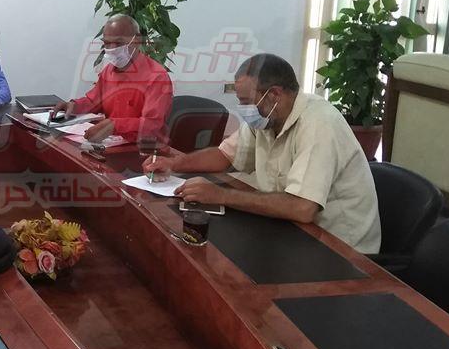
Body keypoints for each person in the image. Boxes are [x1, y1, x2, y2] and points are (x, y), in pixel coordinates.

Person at [143, 53, 381, 253]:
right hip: (290, 228)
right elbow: (225, 156)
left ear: (274, 94)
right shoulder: (267, 117)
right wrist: (175, 164)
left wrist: (220, 195)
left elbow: (303, 208)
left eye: (246, 101)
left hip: (340, 248)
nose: (244, 109)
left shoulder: (319, 124)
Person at [53, 14, 173, 143]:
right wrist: (73, 106)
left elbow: (152, 124)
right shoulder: (108, 71)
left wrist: (115, 125)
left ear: (137, 40)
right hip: (113, 144)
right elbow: (93, 102)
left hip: (146, 148)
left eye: (118, 43)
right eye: (107, 43)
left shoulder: (157, 77)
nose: (112, 49)